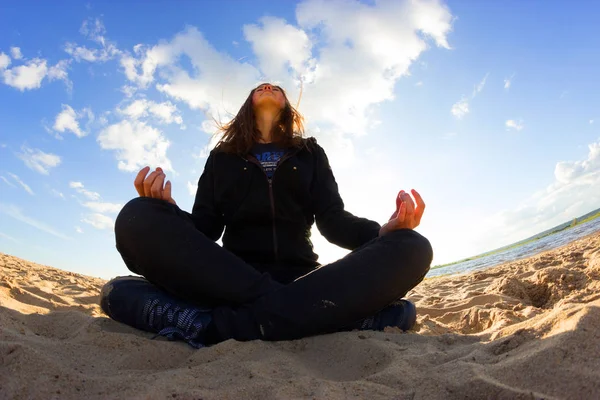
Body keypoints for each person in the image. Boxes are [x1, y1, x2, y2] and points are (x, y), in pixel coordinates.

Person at [99, 83, 433, 348]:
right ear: (247, 104)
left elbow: (333, 221)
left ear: (288, 106)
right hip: (232, 280)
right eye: (260, 85)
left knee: (412, 247)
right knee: (137, 216)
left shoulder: (310, 153)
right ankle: (312, 318)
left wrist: (382, 235)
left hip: (303, 280)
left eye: (276, 87)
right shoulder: (222, 158)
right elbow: (205, 227)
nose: (269, 85)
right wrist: (169, 214)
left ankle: (212, 325)